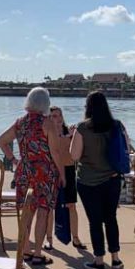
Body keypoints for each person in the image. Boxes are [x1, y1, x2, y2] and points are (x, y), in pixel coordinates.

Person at [0, 87, 66, 266]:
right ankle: (37, 253)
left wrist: (14, 160)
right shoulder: (47, 123)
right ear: (45, 103)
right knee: (43, 212)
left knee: (26, 212)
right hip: (44, 173)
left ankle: (25, 250)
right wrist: (62, 174)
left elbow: (1, 140)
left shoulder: (20, 123)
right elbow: (56, 152)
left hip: (24, 172)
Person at [69, 90, 130, 269]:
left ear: (88, 106)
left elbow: (74, 155)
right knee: (111, 218)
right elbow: (126, 148)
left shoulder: (82, 128)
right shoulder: (117, 125)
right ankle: (116, 258)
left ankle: (98, 259)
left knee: (95, 221)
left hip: (88, 181)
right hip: (112, 179)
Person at [45, 106, 85, 251]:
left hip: (68, 170)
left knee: (71, 205)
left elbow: (78, 153)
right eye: (54, 116)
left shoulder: (69, 131)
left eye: (59, 115)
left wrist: (74, 136)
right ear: (49, 118)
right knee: (50, 207)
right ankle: (49, 239)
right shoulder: (47, 133)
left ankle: (75, 237)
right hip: (52, 170)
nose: (58, 118)